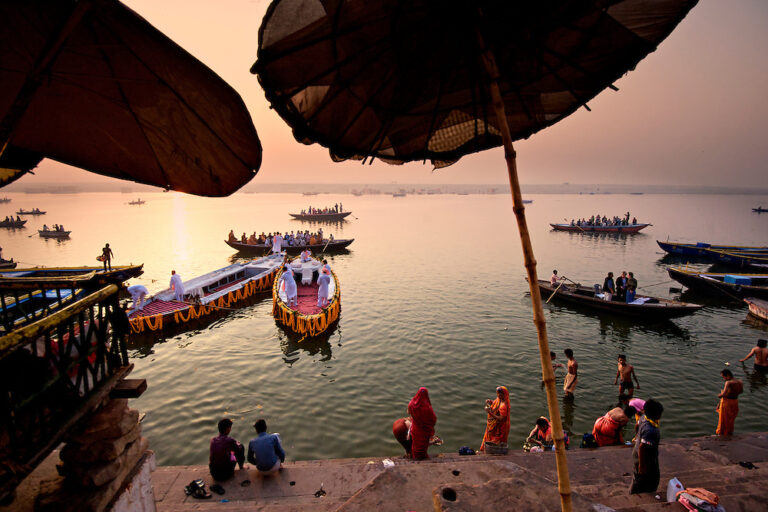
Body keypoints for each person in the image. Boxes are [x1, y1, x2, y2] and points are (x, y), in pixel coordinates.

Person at [630, 399, 663, 494]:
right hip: (645, 458)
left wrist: (637, 437)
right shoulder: (651, 430)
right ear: (657, 415)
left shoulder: (643, 417)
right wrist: (642, 465)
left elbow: (636, 426)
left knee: (637, 477)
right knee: (646, 478)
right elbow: (643, 447)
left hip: (637, 454)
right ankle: (637, 494)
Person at [407, 387, 437, 460]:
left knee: (415, 446)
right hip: (424, 431)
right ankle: (422, 458)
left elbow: (408, 412)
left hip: (415, 429)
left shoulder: (411, 404)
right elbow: (433, 420)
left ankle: (415, 457)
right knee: (423, 446)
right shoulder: (428, 407)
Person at [479, 386, 510, 452]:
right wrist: (491, 402)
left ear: (503, 394)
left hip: (499, 427)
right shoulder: (499, 399)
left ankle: (494, 452)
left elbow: (501, 418)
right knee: (490, 438)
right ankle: (486, 449)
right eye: (497, 393)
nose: (497, 395)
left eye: (499, 394)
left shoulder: (503, 405)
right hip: (494, 425)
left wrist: (490, 412)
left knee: (496, 442)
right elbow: (496, 404)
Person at [716, 369, 743, 436]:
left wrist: (719, 395)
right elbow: (741, 391)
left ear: (727, 375)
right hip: (735, 402)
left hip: (727, 402)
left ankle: (722, 433)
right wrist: (733, 392)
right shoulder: (740, 382)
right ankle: (729, 432)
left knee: (723, 419)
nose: (723, 378)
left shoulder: (729, 383)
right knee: (731, 419)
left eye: (723, 377)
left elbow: (724, 394)